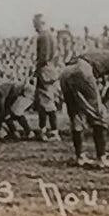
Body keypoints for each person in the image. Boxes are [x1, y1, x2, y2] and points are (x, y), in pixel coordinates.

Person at [58, 45, 109, 168]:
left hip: (66, 71)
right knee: (99, 116)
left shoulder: (99, 51)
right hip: (82, 70)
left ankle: (80, 156)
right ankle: (101, 158)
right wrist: (105, 103)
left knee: (76, 115)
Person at [32, 13, 62, 141]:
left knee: (47, 103)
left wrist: (36, 70)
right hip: (51, 70)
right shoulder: (51, 36)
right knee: (45, 102)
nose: (34, 26)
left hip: (44, 71)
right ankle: (44, 129)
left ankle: (53, 131)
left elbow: (42, 57)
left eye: (35, 23)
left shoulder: (43, 37)